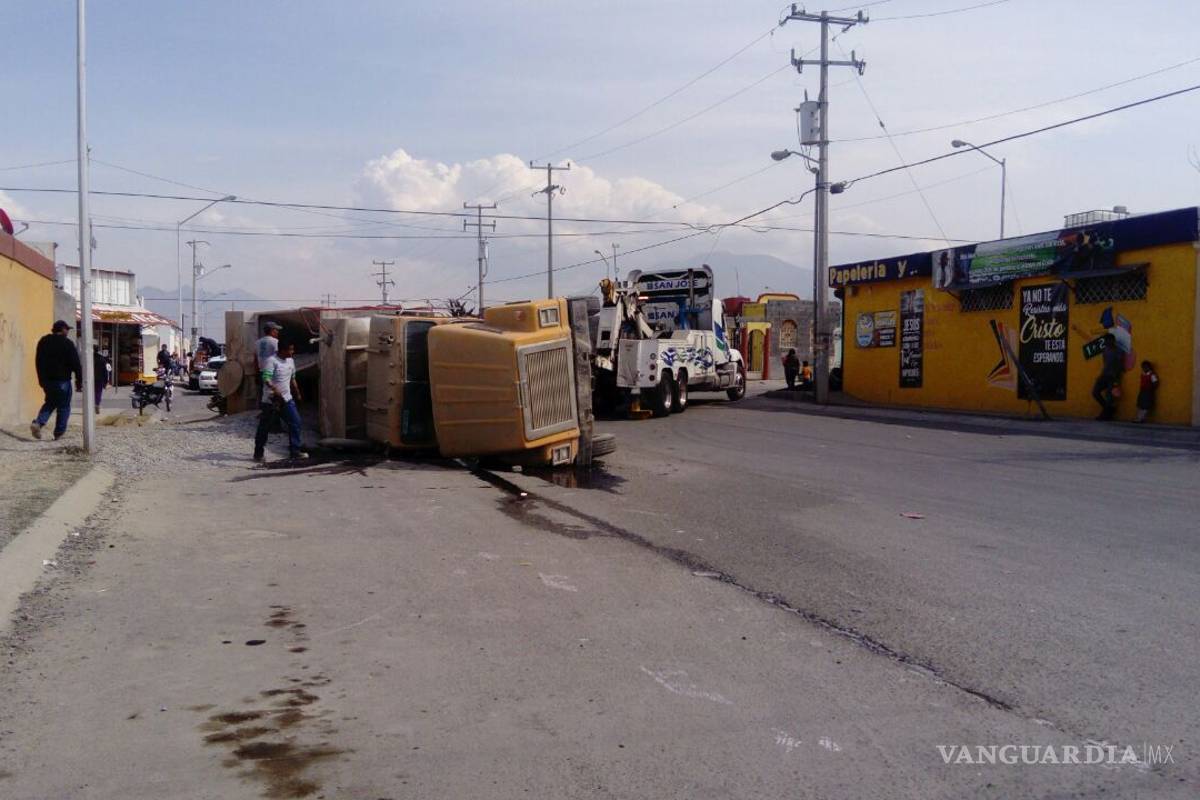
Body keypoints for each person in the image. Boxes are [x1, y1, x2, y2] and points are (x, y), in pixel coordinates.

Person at [254, 341, 307, 462]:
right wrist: (274, 389)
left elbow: (292, 378)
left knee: (296, 422)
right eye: (290, 349)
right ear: (282, 350)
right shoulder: (271, 361)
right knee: (265, 427)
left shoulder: (290, 361)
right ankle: (258, 453)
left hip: (287, 399)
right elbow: (266, 378)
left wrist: (297, 393)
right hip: (271, 401)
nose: (292, 352)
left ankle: (295, 451)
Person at [31, 320, 82, 441]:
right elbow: (75, 363)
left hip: (47, 381)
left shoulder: (43, 341)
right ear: (62, 329)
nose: (68, 331)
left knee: (50, 402)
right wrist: (79, 380)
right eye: (67, 329)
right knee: (64, 406)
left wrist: (41, 379)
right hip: (62, 380)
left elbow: (38, 361)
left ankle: (38, 423)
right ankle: (59, 433)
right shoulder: (67, 343)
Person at [1091, 333, 1125, 421]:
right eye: (1105, 341)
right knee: (1095, 392)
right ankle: (1109, 410)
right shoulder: (1105, 350)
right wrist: (1101, 375)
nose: (1106, 342)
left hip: (1113, 377)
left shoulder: (1119, 351)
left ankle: (1105, 414)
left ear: (1112, 341)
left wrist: (1116, 376)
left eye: (1107, 340)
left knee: (1109, 397)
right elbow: (1105, 364)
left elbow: (1120, 365)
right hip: (1104, 375)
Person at [93, 346, 112, 415]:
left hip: (91, 378)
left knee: (91, 392)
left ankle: (91, 405)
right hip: (99, 379)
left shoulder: (89, 358)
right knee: (98, 392)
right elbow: (106, 370)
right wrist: (106, 380)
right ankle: (97, 404)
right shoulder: (102, 359)